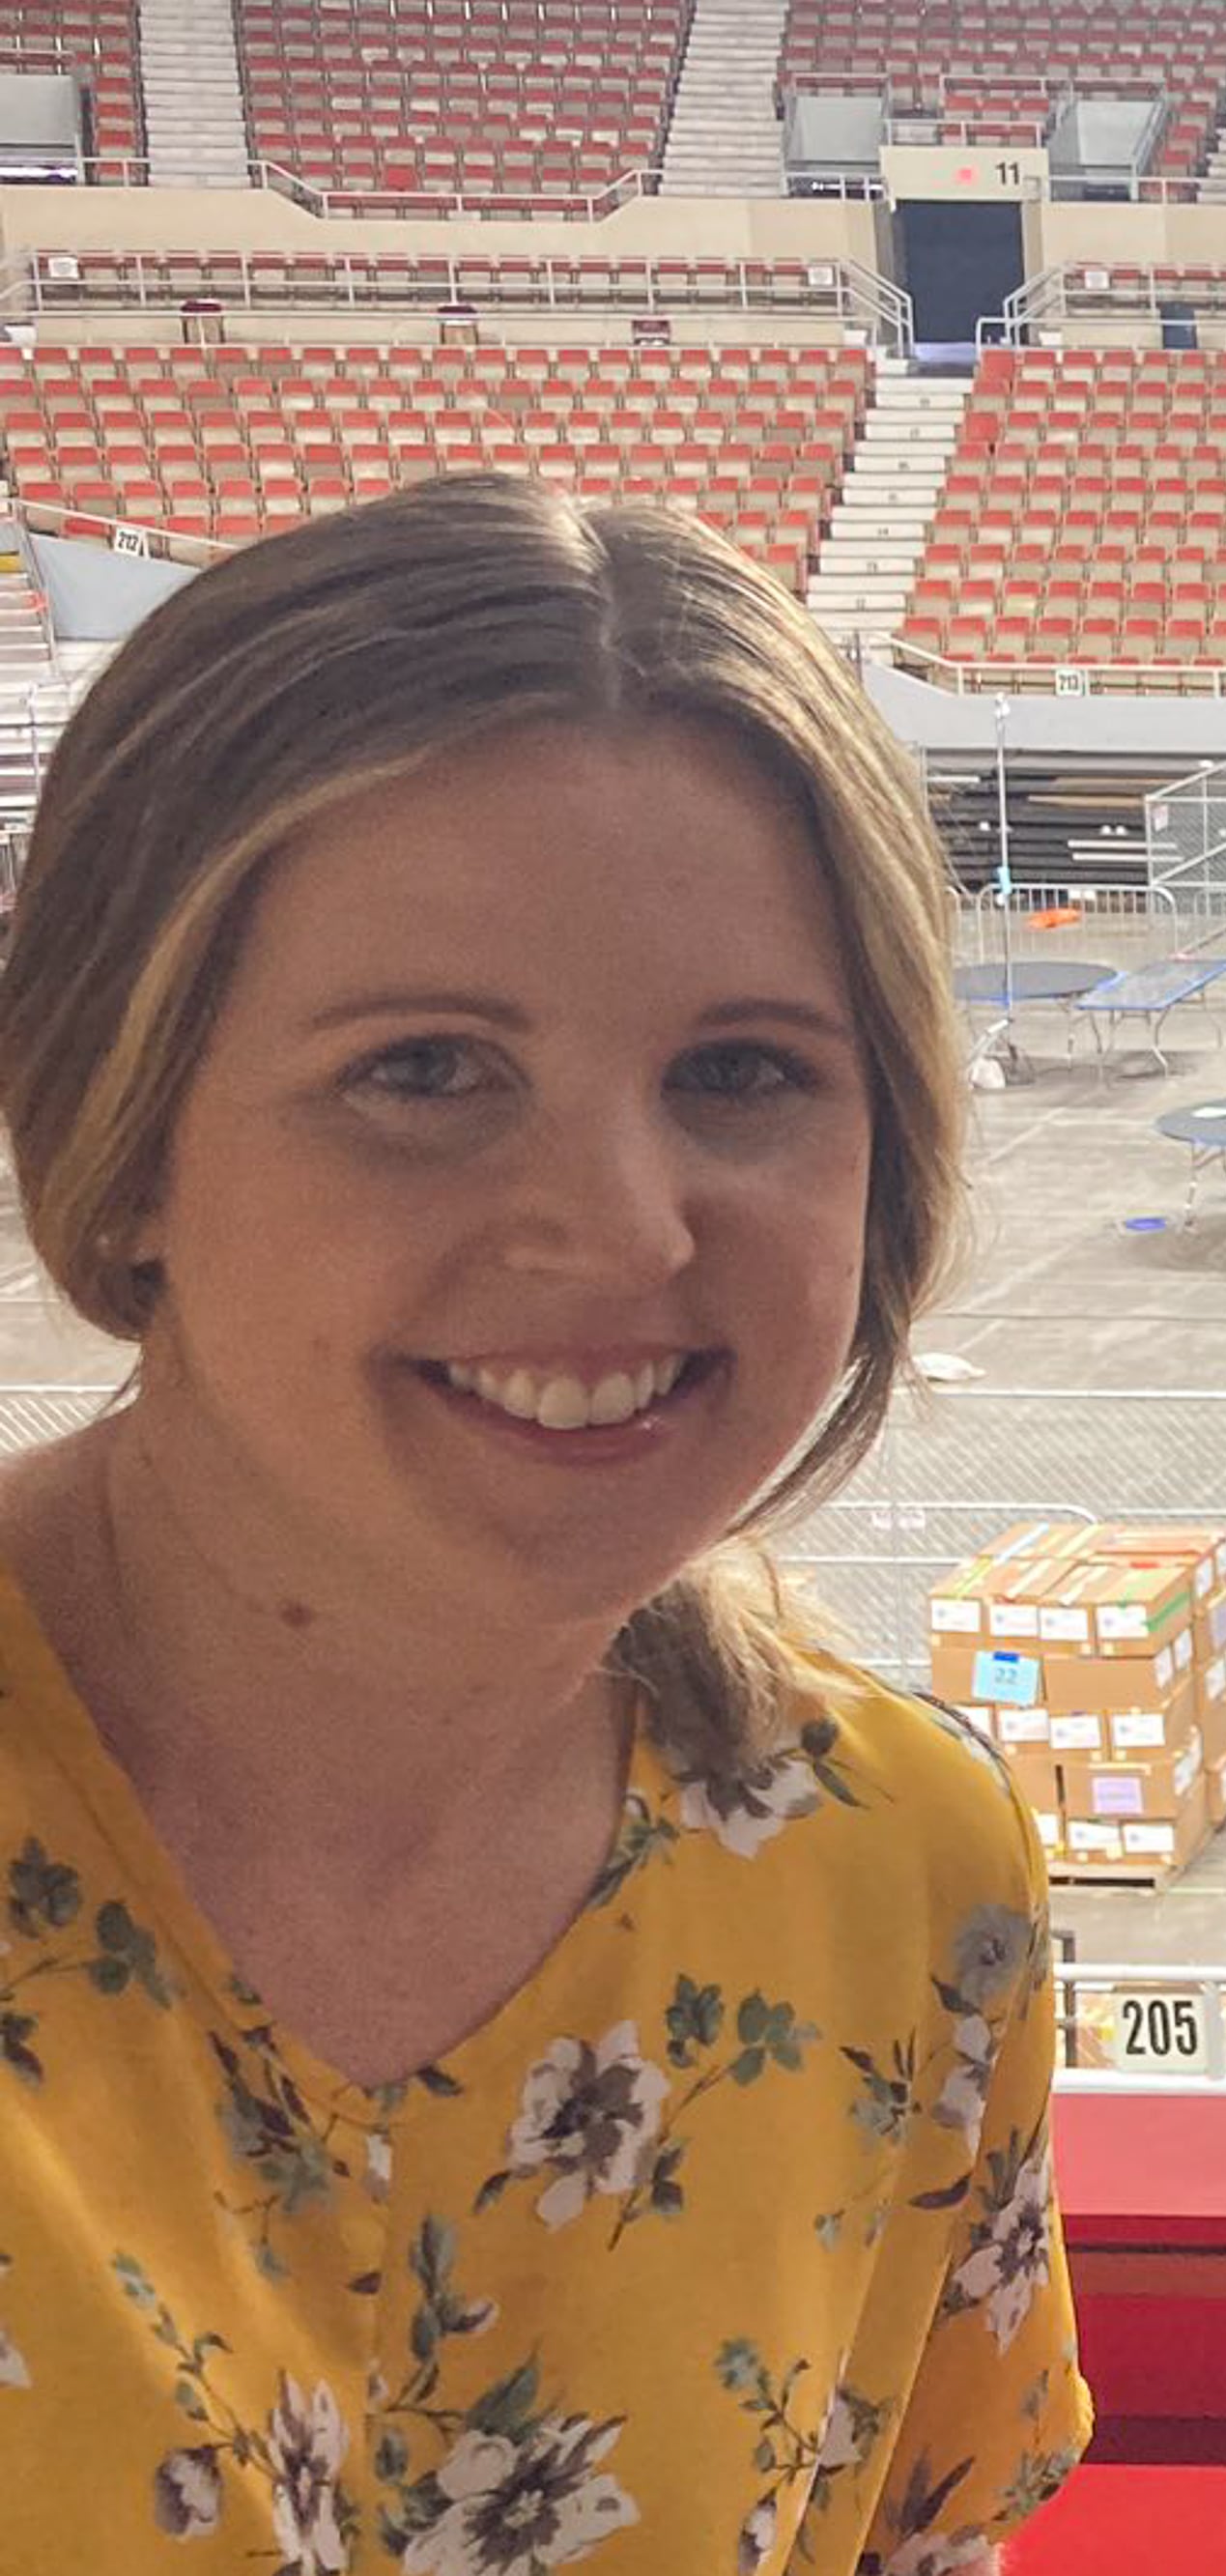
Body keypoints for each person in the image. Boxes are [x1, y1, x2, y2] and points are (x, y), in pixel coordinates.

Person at [0, 475, 1086, 2571]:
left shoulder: (895, 1875)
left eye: (744, 1074)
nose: (621, 1225)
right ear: (123, 1141)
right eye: (424, 1069)